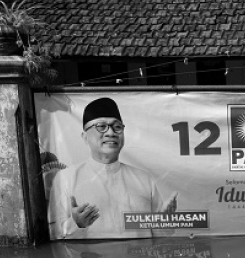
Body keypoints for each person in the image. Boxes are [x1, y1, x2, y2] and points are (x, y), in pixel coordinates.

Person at [48, 97, 177, 239]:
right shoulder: (66, 179)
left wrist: (165, 222)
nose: (110, 133)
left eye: (117, 127)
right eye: (101, 126)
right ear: (85, 137)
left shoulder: (144, 179)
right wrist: (76, 224)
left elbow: (159, 236)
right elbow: (54, 235)